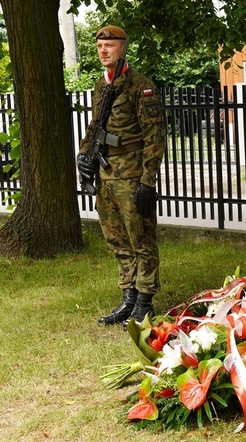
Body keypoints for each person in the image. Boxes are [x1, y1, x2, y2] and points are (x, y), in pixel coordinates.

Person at [77, 25, 166, 329]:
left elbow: (155, 136)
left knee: (141, 237)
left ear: (123, 47)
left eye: (110, 45)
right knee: (116, 238)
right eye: (100, 46)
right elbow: (94, 128)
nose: (103, 50)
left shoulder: (141, 86)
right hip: (106, 174)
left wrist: (148, 180)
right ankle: (128, 298)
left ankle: (144, 301)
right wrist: (83, 155)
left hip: (132, 174)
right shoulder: (101, 86)